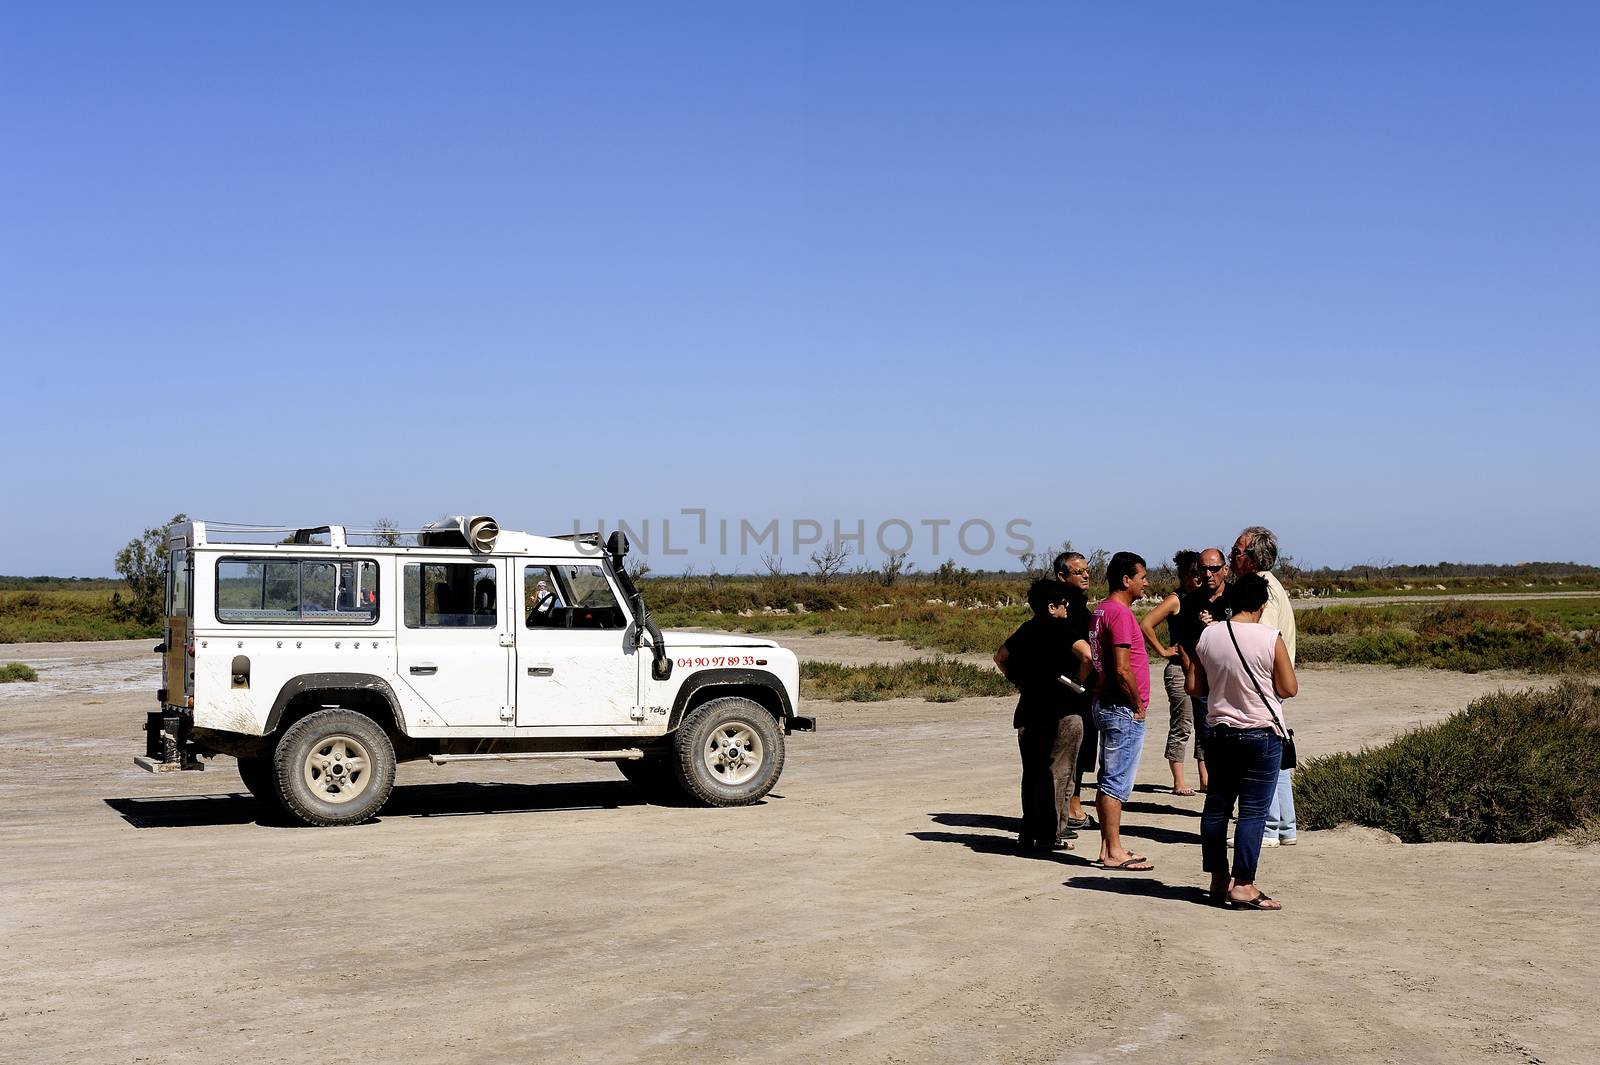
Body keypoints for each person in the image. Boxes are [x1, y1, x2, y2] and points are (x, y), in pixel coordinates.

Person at [1185, 574, 1298, 910]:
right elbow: (1289, 688)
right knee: (1252, 812)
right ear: (1263, 605)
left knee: (1217, 808)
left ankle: (1218, 879)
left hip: (1219, 733)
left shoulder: (1209, 635)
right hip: (1261, 734)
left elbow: (1195, 687)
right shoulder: (1269, 637)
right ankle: (1244, 884)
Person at [995, 579, 1094, 851]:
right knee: (1060, 774)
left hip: (1029, 709)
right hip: (1062, 711)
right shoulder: (1063, 629)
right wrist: (1077, 683)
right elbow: (1087, 656)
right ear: (1052, 607)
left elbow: (1000, 657)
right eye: (1064, 604)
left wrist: (1019, 680)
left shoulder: (1025, 630)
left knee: (1033, 774)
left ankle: (1029, 831)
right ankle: (1051, 834)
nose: (1066, 608)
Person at [1231, 526, 1298, 846]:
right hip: (1269, 688)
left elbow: (1263, 639)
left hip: (1262, 688)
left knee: (1258, 758)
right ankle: (1285, 827)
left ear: (1252, 558)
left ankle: (1267, 828)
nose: (1232, 556)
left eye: (1237, 551)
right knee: (1277, 757)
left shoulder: (1264, 589)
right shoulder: (1271, 585)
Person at [1089, 551, 1153, 870]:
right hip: (1122, 708)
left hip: (1107, 703)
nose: (1146, 582)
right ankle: (1114, 850)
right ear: (1126, 580)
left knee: (1108, 776)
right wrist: (1138, 704)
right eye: (1142, 577)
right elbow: (1122, 668)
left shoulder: (1100, 610)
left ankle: (1107, 846)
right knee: (1115, 780)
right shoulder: (1121, 614)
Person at [1138, 550, 1202, 795]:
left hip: (1202, 670)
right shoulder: (1176, 599)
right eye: (1194, 573)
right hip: (1178, 670)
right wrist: (1163, 651)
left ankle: (1204, 777)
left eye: (1202, 573)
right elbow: (1146, 623)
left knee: (1204, 723)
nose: (1199, 578)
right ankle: (1179, 780)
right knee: (1182, 723)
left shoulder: (1204, 598)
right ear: (1184, 575)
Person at [1054, 551, 1098, 829]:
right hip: (1071, 688)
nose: (1085, 575)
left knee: (1083, 749)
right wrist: (1080, 682)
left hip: (1082, 688)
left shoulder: (1079, 605)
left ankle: (1074, 804)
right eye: (1077, 571)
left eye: (1086, 570)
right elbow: (1085, 654)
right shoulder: (1063, 607)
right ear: (1062, 576)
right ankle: (1070, 809)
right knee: (1071, 750)